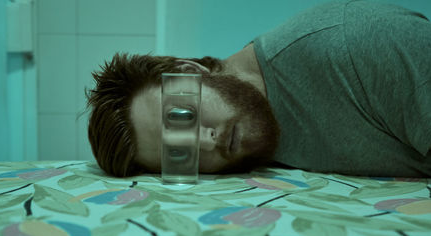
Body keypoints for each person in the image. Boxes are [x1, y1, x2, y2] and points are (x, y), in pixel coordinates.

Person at [86, 0, 431, 178]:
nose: (205, 142)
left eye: (184, 116)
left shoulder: (352, 47)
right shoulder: (255, 149)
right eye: (179, 153)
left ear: (190, 72)